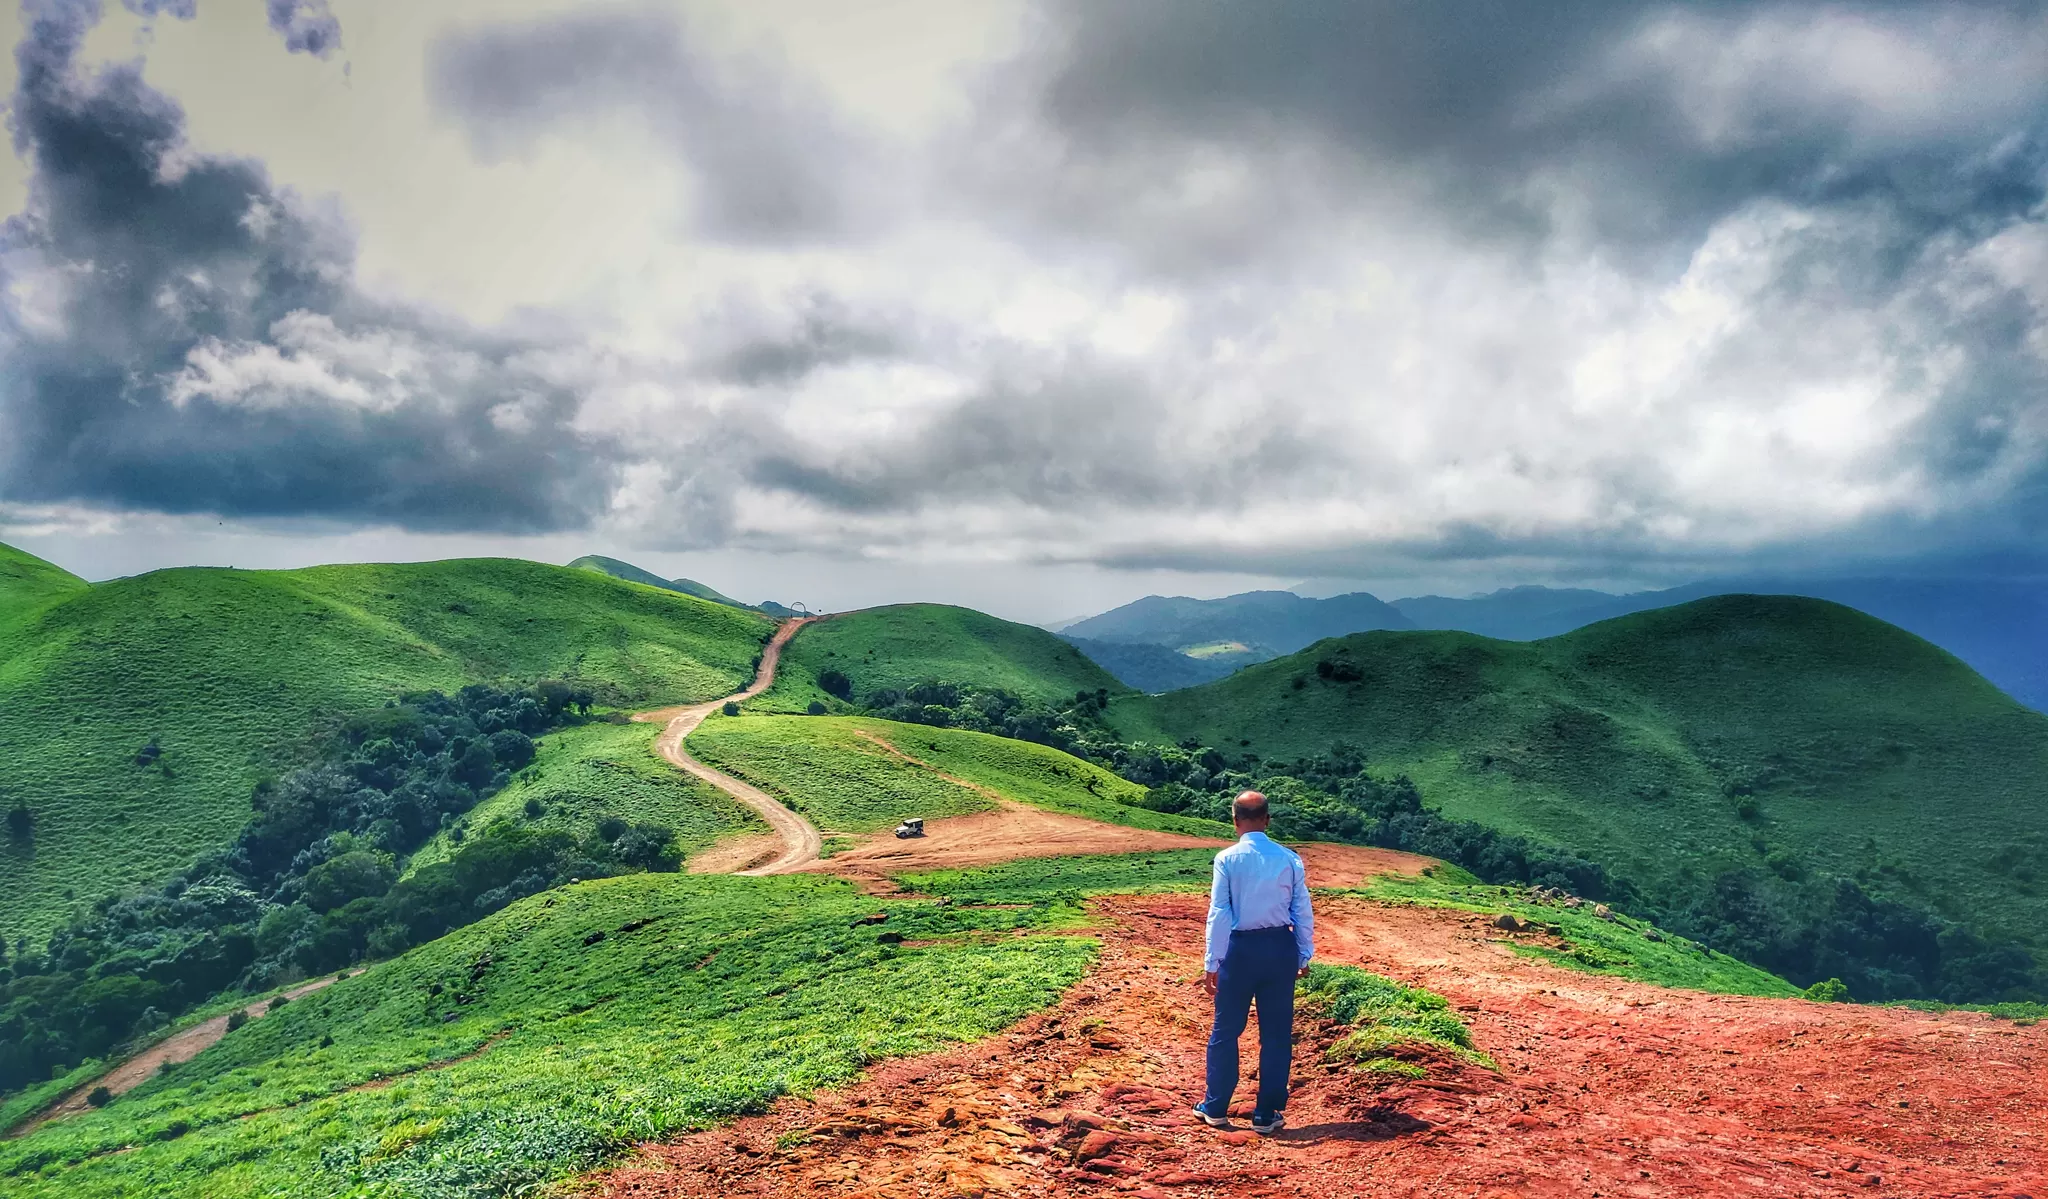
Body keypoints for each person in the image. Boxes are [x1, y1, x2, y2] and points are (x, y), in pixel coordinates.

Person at [1194, 789, 1314, 1136]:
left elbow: (1220, 912)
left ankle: (1215, 1106)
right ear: (1267, 819)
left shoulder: (1226, 859)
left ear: (1235, 822)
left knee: (1226, 1029)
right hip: (1279, 947)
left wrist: (1212, 961)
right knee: (1276, 1034)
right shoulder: (1289, 858)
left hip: (1239, 949)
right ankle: (1266, 1113)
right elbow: (1301, 910)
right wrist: (1304, 952)